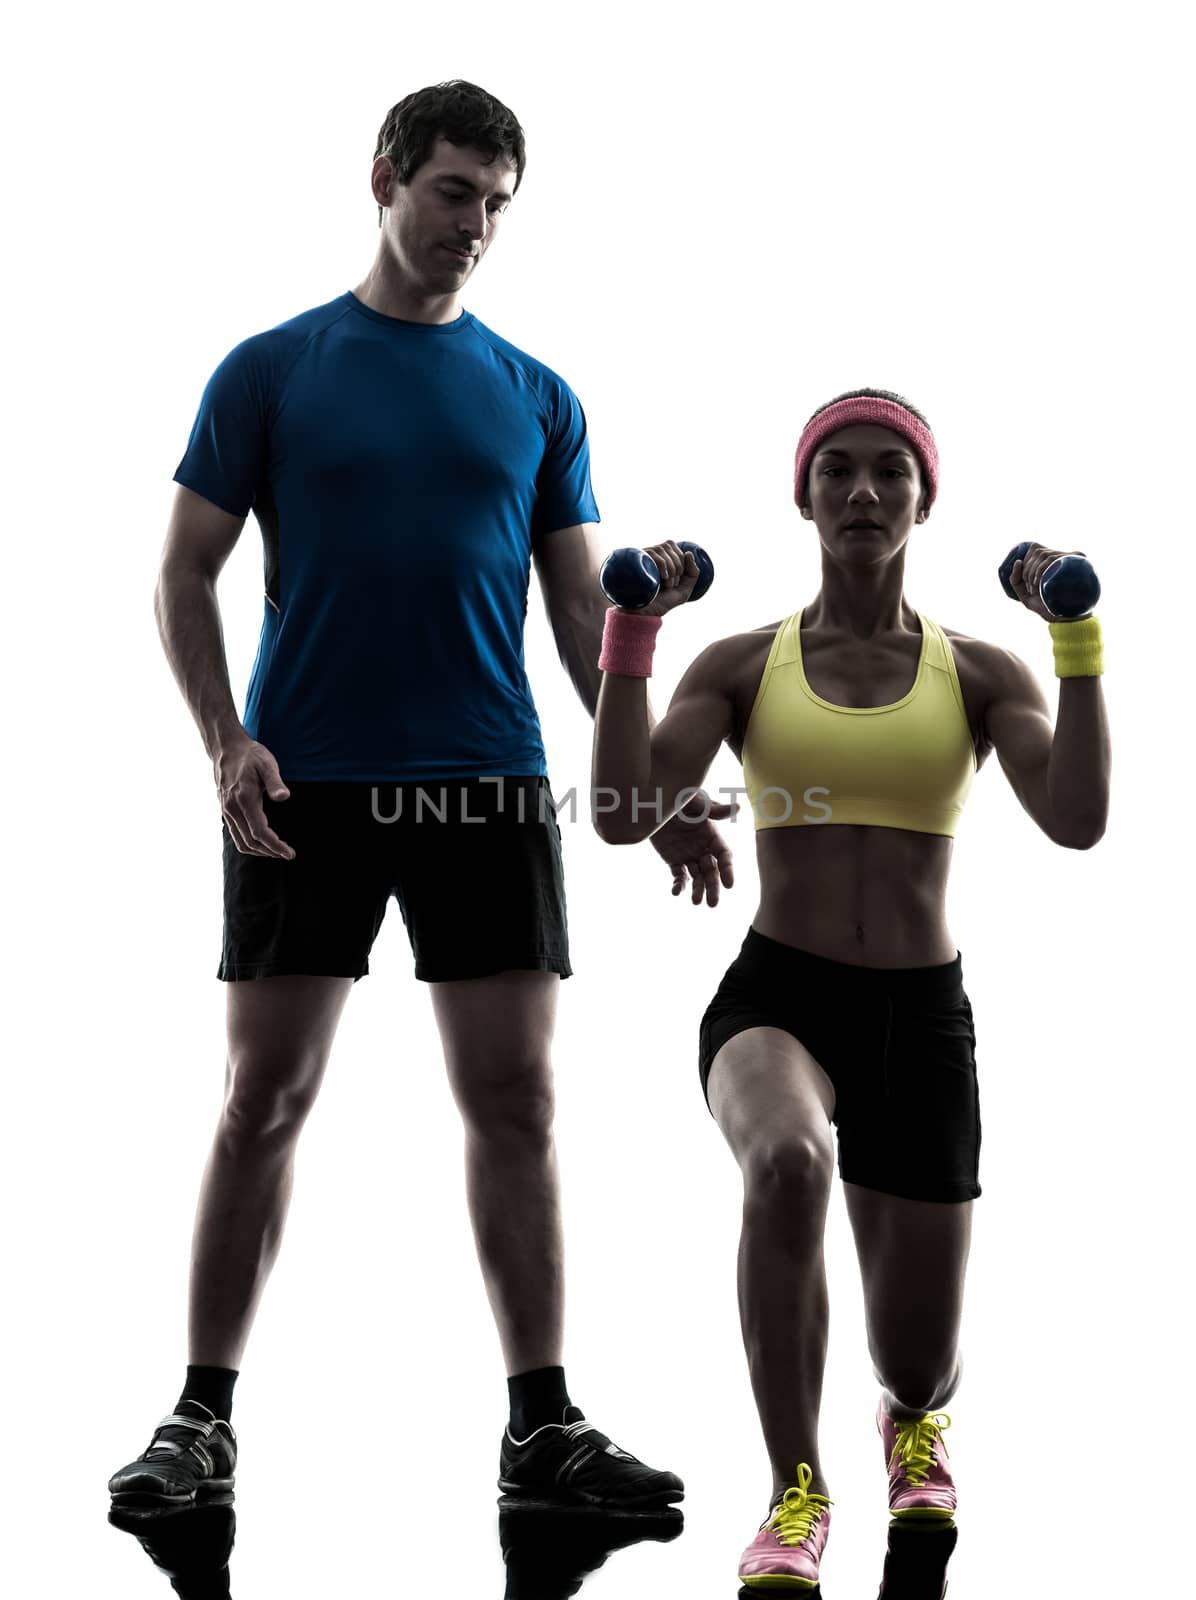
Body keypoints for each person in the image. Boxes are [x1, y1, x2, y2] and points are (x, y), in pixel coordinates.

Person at [108, 79, 733, 1514]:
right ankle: (200, 1420)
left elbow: (588, 628)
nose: (476, 227)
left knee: (516, 1100)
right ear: (384, 178)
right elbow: (181, 572)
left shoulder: (538, 395)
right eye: (455, 192)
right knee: (262, 1099)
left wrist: (655, 786)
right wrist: (223, 739)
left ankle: (543, 1426)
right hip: (303, 785)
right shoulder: (271, 371)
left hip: (487, 788)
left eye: (499, 205)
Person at [591, 388, 1110, 1588]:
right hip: (779, 1001)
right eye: (837, 472)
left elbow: (1075, 819)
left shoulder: (978, 671)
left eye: (888, 472)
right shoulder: (741, 662)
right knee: (785, 1163)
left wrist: (1072, 642)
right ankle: (791, 1491)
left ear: (923, 499)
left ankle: (907, 1421)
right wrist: (632, 638)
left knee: (917, 1360)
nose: (862, 493)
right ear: (802, 495)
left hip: (921, 1024)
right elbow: (621, 813)